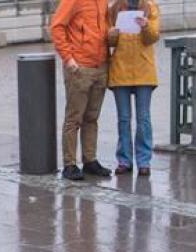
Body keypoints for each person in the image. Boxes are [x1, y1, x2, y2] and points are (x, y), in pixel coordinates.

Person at [50, 0, 114, 181]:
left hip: (100, 66)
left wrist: (111, 35)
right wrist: (69, 59)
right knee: (74, 118)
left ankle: (90, 160)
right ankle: (69, 164)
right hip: (79, 67)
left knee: (92, 118)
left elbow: (103, 27)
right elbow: (57, 27)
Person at [108, 0, 161, 176]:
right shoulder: (115, 8)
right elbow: (107, 40)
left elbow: (153, 37)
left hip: (144, 70)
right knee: (123, 119)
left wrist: (146, 26)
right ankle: (124, 160)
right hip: (120, 69)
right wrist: (112, 35)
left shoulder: (150, 6)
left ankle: (144, 161)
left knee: (143, 119)